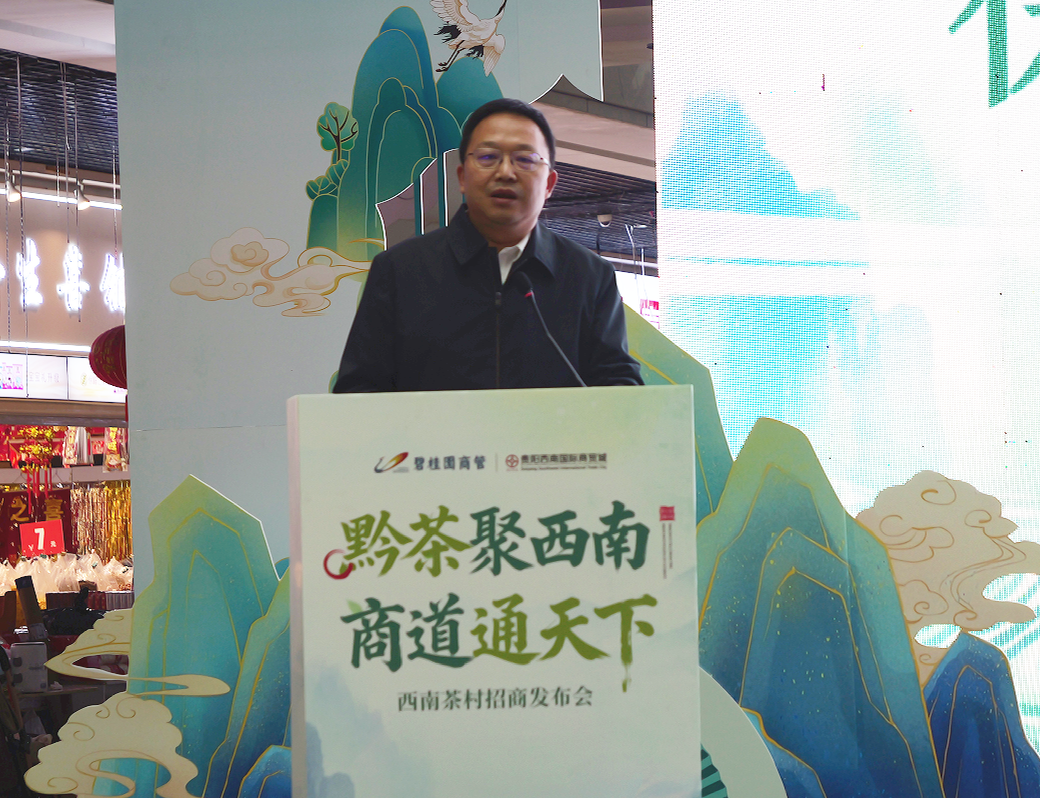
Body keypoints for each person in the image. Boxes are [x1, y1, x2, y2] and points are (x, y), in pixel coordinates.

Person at [332, 97, 643, 392]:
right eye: (487, 157)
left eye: (525, 159)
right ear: (462, 177)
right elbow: (358, 390)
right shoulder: (400, 271)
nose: (505, 172)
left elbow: (621, 391)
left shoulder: (588, 277)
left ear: (549, 184)